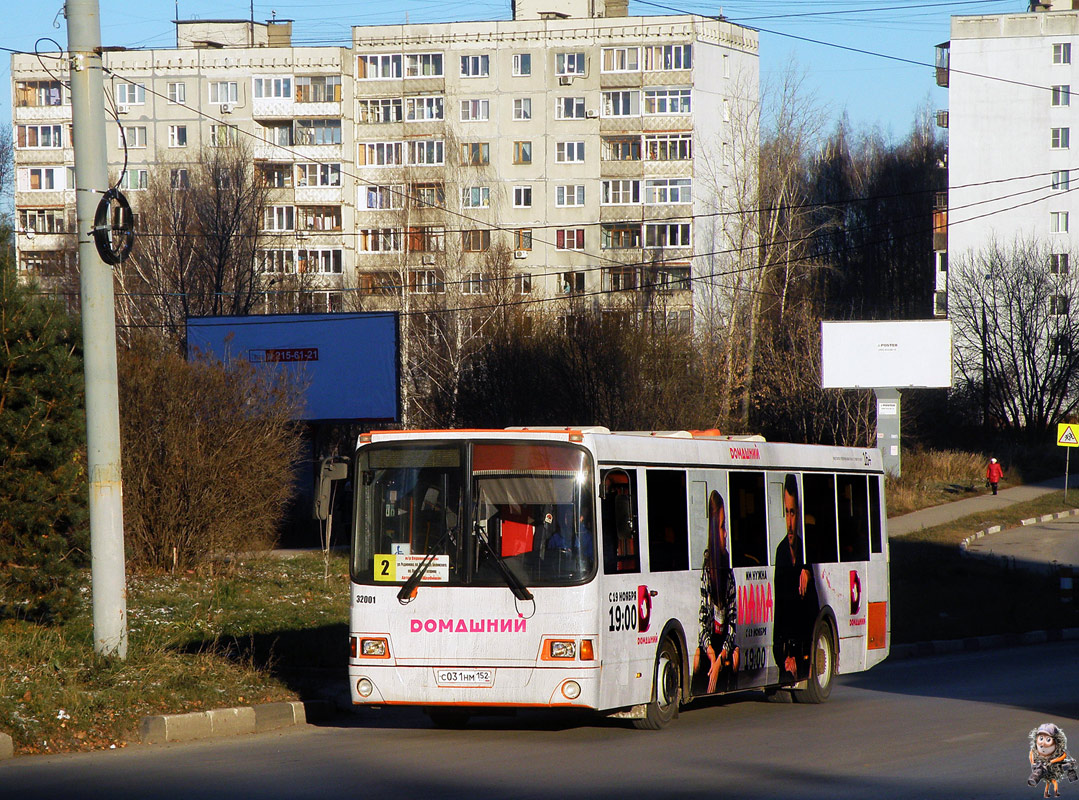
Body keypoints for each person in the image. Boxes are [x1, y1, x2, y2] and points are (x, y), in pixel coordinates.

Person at [772, 474, 819, 684]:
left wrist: (808, 574)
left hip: (805, 645)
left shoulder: (808, 550)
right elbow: (779, 611)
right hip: (787, 651)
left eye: (793, 513)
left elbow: (815, 612)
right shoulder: (780, 552)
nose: (789, 522)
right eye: (786, 513)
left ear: (799, 514)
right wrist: (783, 658)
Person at [693, 491, 739, 693]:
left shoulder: (727, 572)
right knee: (696, 658)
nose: (725, 533)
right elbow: (703, 622)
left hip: (724, 646)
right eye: (722, 527)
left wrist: (721, 657)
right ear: (713, 531)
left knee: (736, 655)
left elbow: (732, 621)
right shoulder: (706, 570)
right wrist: (711, 653)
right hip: (711, 645)